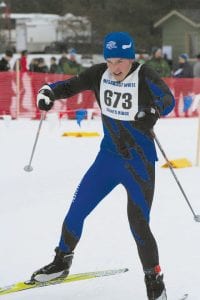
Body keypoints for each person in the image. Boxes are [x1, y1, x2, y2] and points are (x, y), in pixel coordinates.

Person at [31, 32, 175, 300]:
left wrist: (153, 112)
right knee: (78, 207)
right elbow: (69, 86)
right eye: (109, 61)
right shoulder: (99, 74)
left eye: (119, 61)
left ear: (130, 58)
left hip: (139, 162)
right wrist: (48, 92)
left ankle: (154, 281)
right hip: (108, 158)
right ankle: (62, 261)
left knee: (139, 223)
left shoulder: (145, 75)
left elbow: (168, 100)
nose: (114, 67)